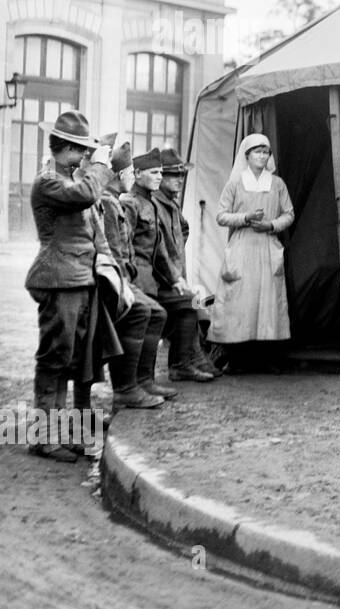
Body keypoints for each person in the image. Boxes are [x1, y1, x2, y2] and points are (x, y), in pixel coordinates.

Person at [25, 111, 118, 461]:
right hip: (58, 278)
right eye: (81, 151)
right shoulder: (49, 181)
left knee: (76, 359)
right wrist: (102, 165)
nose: (85, 158)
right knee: (55, 358)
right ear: (65, 148)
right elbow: (84, 194)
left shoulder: (68, 176)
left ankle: (70, 434)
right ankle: (43, 438)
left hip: (80, 278)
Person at [123, 148, 207, 391]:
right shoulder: (132, 203)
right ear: (137, 174)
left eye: (162, 173)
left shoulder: (152, 202)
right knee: (155, 314)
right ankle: (142, 381)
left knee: (196, 302)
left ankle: (183, 362)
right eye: (156, 173)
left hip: (155, 278)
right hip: (139, 280)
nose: (161, 177)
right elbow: (123, 245)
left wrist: (175, 278)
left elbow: (161, 247)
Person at [209, 134, 295, 371]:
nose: (262, 156)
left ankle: (266, 360)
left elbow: (289, 214)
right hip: (242, 247)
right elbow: (221, 215)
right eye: (257, 151)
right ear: (246, 156)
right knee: (241, 303)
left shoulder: (277, 184)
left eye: (266, 152)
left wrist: (271, 225)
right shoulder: (235, 183)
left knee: (268, 304)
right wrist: (244, 217)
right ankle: (238, 360)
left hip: (267, 246)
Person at [95, 135, 165, 410]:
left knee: (156, 311)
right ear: (122, 174)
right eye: (128, 173)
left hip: (124, 276)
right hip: (113, 280)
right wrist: (127, 283)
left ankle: (142, 381)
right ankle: (125, 388)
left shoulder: (115, 201)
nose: (131, 179)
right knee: (143, 310)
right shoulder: (113, 203)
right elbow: (113, 251)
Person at [156, 147, 222, 379]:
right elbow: (156, 248)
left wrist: (177, 251)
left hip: (173, 274)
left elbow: (183, 227)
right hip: (159, 280)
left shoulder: (170, 203)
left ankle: (192, 355)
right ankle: (184, 361)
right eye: (173, 175)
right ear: (159, 177)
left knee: (195, 300)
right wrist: (173, 274)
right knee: (190, 300)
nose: (179, 180)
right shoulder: (156, 202)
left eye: (181, 175)